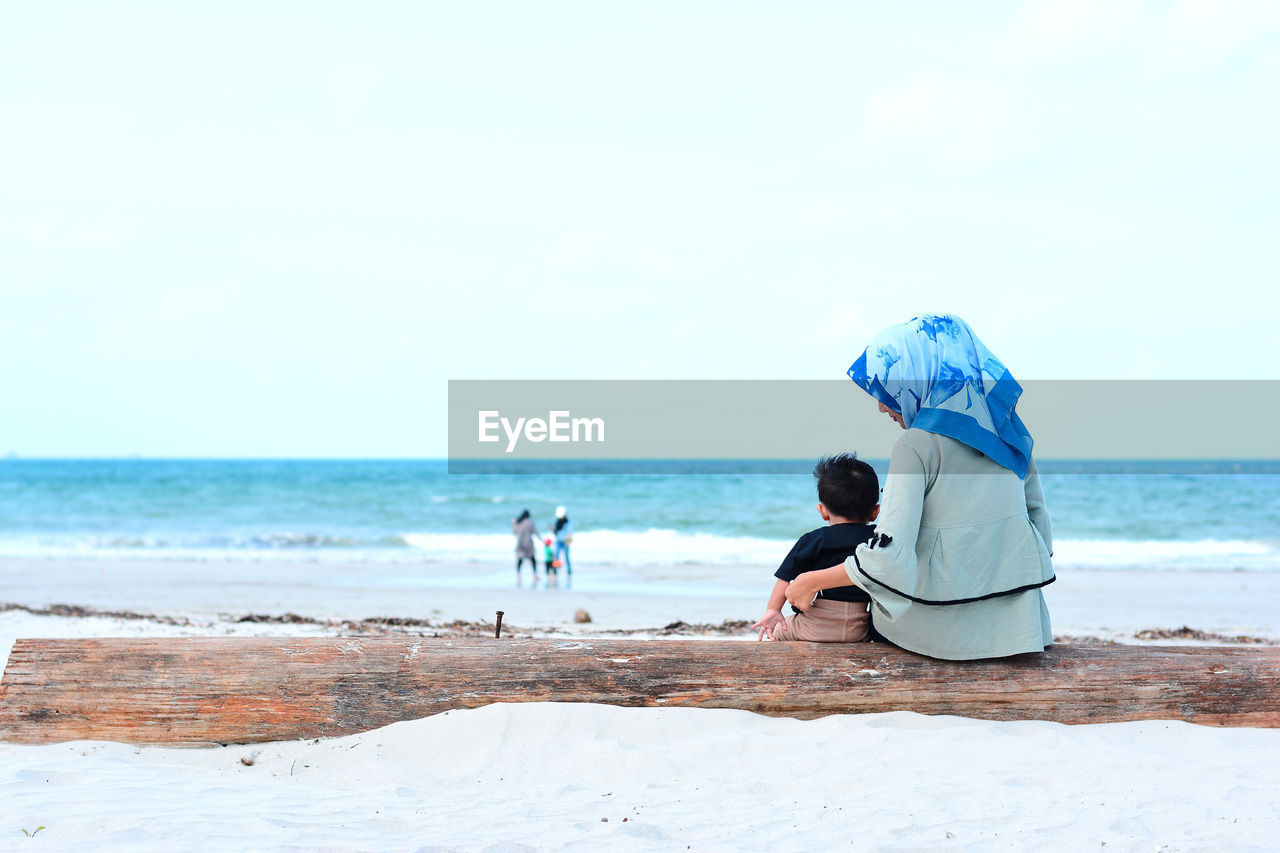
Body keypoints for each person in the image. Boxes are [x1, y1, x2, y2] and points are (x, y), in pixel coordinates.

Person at [784, 313, 1055, 660]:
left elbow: (888, 558)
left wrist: (810, 581)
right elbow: (1040, 530)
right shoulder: (1007, 430)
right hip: (1022, 629)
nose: (882, 406)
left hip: (938, 635)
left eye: (888, 389)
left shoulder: (917, 444)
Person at [751, 454, 880, 642]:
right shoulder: (876, 540)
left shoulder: (814, 540)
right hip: (859, 629)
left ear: (823, 511)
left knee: (780, 630)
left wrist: (773, 610)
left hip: (815, 627)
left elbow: (784, 579)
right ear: (875, 511)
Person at [511, 509, 541, 584]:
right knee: (533, 560)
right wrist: (542, 540)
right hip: (528, 544)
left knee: (520, 560)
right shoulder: (530, 522)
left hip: (520, 544)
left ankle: (518, 575)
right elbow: (535, 532)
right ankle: (535, 575)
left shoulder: (518, 522)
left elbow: (514, 532)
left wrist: (514, 524)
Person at [553, 506, 573, 578]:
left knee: (566, 557)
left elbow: (570, 532)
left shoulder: (569, 521)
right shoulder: (557, 521)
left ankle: (569, 571)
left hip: (566, 541)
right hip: (558, 541)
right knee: (556, 556)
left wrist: (568, 542)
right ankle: (555, 570)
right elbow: (556, 532)